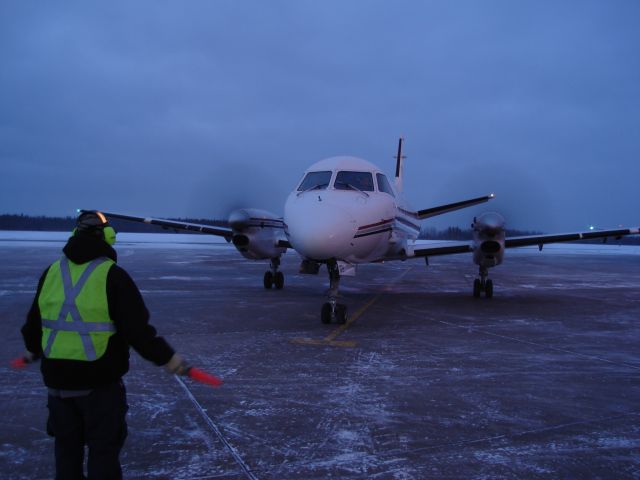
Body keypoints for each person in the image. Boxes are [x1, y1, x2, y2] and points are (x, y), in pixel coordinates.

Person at [18, 210, 191, 480]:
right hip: (99, 385)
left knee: (66, 451)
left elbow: (32, 324)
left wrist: (33, 349)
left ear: (74, 234)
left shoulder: (51, 272)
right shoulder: (113, 276)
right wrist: (169, 359)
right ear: (107, 236)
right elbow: (138, 332)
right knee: (103, 453)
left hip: (57, 385)